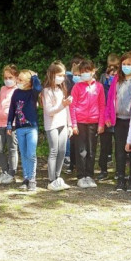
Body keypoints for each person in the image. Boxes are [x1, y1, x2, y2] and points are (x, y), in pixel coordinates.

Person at [105, 51, 131, 192]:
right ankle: (120, 179)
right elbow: (110, 99)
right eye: (124, 64)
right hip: (119, 120)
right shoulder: (117, 79)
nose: (126, 66)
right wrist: (108, 117)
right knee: (120, 151)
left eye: (129, 64)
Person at [70, 60, 105, 188]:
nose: (85, 74)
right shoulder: (77, 87)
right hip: (79, 122)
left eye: (87, 71)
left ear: (93, 71)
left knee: (91, 150)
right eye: (82, 72)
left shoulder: (99, 87)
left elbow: (102, 105)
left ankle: (89, 176)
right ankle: (81, 176)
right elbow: (72, 106)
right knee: (81, 150)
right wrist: (73, 124)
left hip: (94, 123)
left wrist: (101, 124)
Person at [7, 69, 42, 191]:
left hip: (31, 128)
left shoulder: (32, 93)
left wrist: (35, 76)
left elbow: (38, 88)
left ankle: (32, 178)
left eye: (21, 80)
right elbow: (12, 109)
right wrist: (9, 124)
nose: (18, 81)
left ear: (28, 82)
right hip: (20, 128)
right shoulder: (16, 92)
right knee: (23, 154)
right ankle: (26, 178)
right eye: (18, 79)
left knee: (31, 154)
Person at [42, 61, 72, 191]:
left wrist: (69, 124)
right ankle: (51, 180)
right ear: (52, 75)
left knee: (62, 151)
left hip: (63, 124)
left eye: (63, 75)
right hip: (52, 125)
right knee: (53, 151)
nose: (61, 77)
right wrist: (63, 105)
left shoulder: (61, 89)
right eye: (59, 75)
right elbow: (49, 111)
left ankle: (57, 177)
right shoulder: (46, 91)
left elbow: (67, 109)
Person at [0, 65, 19, 184]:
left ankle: (11, 173)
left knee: (12, 148)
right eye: (5, 77)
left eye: (10, 77)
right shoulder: (3, 88)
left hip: (12, 124)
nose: (7, 80)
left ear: (16, 77)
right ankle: (5, 171)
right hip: (0, 123)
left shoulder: (18, 90)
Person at [97, 63, 118, 180]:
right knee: (104, 147)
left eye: (116, 75)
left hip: (118, 121)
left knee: (119, 148)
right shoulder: (102, 88)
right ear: (106, 75)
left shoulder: (120, 88)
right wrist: (105, 118)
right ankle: (103, 170)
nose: (113, 77)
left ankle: (119, 171)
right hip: (106, 122)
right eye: (112, 75)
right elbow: (102, 105)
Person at [64, 55, 84, 174]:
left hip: (83, 116)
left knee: (82, 144)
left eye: (79, 75)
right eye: (75, 75)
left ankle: (81, 166)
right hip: (71, 114)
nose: (76, 77)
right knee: (72, 141)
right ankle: (72, 164)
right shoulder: (67, 79)